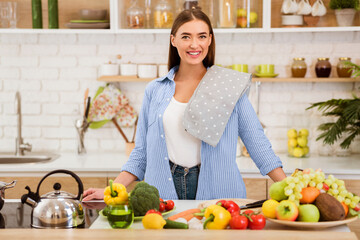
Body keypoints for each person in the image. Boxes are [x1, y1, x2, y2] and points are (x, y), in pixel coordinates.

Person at [83, 9, 286, 201]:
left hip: (220, 193)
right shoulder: (155, 90)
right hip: (163, 191)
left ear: (210, 40)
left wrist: (291, 188)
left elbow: (257, 143)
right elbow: (142, 151)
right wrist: (112, 190)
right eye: (186, 36)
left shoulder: (230, 86)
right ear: (174, 40)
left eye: (202, 36)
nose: (194, 44)